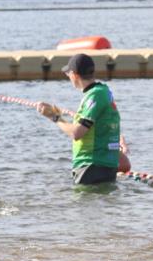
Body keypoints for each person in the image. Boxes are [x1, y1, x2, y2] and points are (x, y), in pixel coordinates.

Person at [37, 53, 121, 185]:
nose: (68, 78)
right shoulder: (103, 91)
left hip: (91, 167)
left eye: (68, 74)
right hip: (105, 166)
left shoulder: (95, 95)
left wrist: (54, 117)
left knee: (82, 204)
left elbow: (77, 133)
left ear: (74, 75)